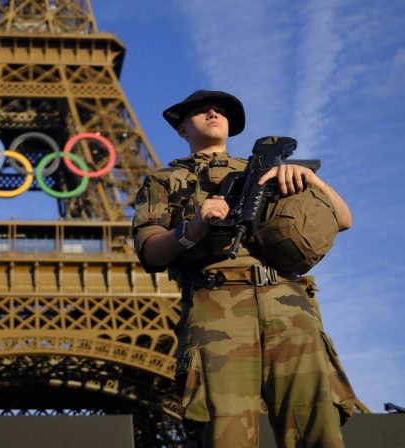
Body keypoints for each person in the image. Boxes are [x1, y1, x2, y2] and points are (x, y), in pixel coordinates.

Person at [132, 90, 356, 447]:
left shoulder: (269, 170)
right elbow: (150, 252)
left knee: (317, 426)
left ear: (231, 125)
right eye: (201, 110)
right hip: (216, 305)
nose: (212, 112)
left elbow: (343, 220)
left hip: (288, 303)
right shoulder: (164, 181)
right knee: (226, 431)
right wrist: (193, 230)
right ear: (181, 129)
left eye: (220, 110)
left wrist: (311, 180)